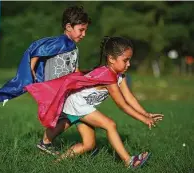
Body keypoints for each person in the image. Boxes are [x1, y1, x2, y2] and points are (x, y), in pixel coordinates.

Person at [25, 36, 164, 169]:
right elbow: (122, 105)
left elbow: (130, 98)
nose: (128, 64)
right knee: (110, 124)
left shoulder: (120, 76)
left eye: (129, 60)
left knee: (88, 144)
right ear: (111, 59)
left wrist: (146, 113)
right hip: (77, 104)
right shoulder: (108, 77)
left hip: (81, 106)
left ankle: (54, 165)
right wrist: (143, 119)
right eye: (125, 60)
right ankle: (129, 161)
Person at [0, 6, 96, 154]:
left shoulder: (74, 48)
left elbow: (75, 69)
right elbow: (36, 51)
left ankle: (88, 145)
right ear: (68, 27)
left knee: (73, 116)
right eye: (81, 30)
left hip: (67, 90)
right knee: (74, 116)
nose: (84, 34)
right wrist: (32, 70)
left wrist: (84, 81)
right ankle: (53, 143)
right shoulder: (59, 42)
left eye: (85, 30)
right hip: (55, 90)